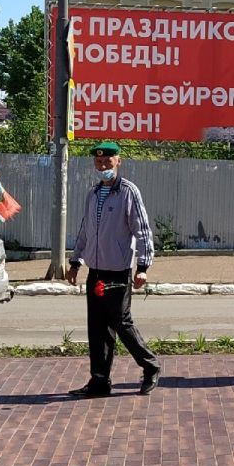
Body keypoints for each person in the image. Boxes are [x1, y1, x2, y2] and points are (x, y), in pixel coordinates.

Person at [66, 141, 161, 398]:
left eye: (108, 161)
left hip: (117, 271)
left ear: (118, 161)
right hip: (95, 270)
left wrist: (143, 266)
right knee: (97, 327)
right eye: (99, 162)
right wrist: (75, 262)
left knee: (121, 322)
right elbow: (85, 231)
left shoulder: (128, 192)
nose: (103, 166)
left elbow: (142, 231)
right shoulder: (94, 193)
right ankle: (99, 380)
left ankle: (150, 365)